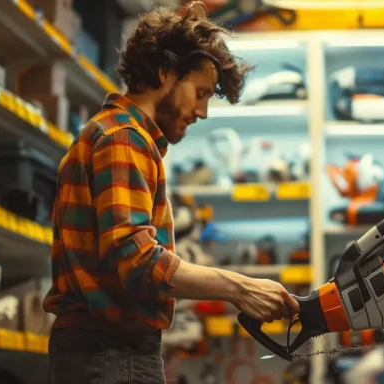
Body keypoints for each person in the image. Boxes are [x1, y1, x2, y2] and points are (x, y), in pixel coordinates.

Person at [43, 3, 299, 383]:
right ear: (164, 72)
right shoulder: (123, 140)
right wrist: (238, 288)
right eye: (199, 93)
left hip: (104, 351)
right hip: (111, 353)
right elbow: (136, 260)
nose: (203, 112)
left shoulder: (119, 136)